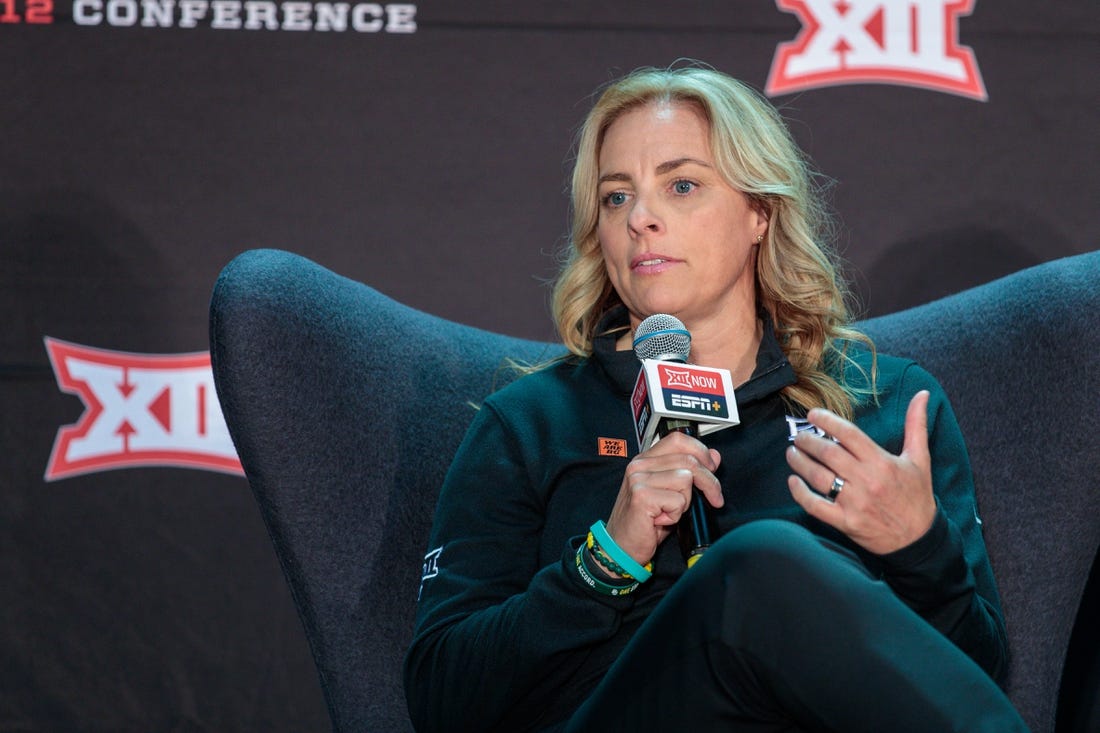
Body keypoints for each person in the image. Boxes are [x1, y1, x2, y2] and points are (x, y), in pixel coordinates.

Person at [403, 65, 1029, 732]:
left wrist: (920, 547)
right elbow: (442, 699)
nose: (642, 218)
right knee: (757, 566)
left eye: (681, 185)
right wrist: (603, 560)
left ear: (760, 211)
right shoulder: (530, 423)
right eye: (616, 198)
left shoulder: (882, 404)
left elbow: (973, 676)